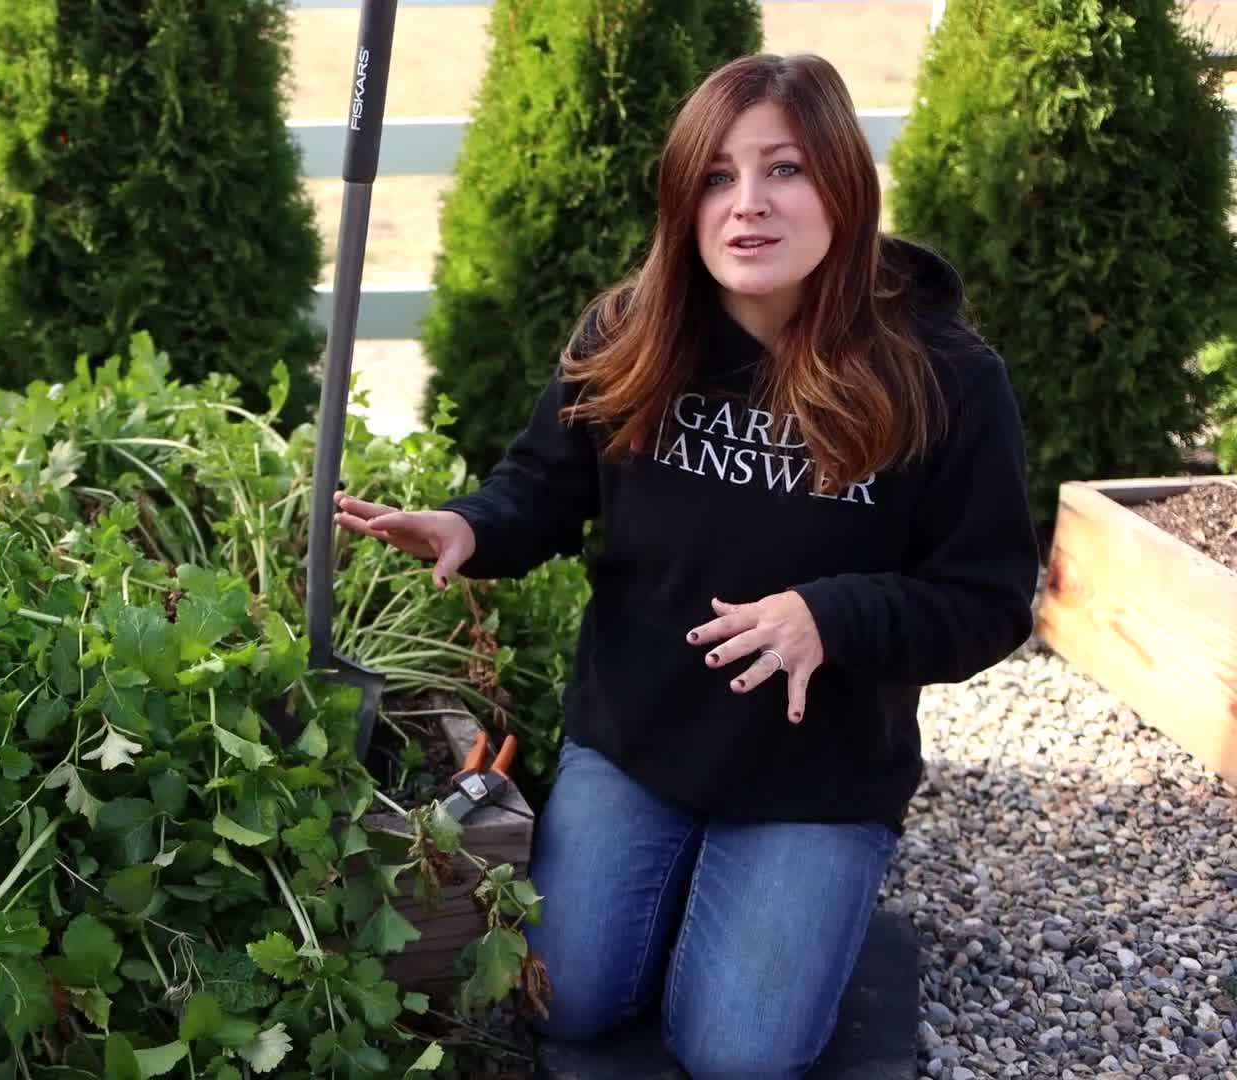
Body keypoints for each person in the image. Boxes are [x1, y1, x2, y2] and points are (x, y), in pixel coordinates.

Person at [333, 53, 1041, 1079]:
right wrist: (470, 529)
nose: (747, 205)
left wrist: (831, 617)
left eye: (784, 170)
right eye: (716, 175)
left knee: (740, 1056)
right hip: (639, 740)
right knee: (564, 1006)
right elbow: (544, 485)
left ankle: (798, 902)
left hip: (816, 775)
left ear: (844, 181)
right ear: (683, 197)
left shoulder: (945, 379)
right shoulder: (634, 333)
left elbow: (987, 603)